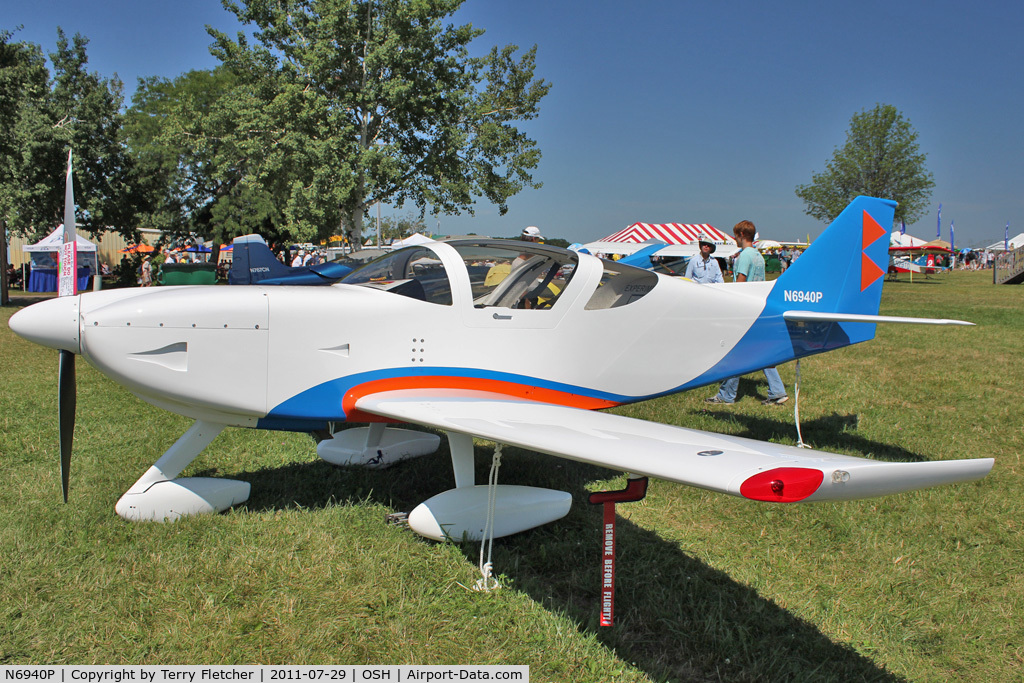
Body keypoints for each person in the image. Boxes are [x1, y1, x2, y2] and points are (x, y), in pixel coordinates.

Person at [705, 220, 788, 406]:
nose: (734, 238)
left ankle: (726, 396)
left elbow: (740, 282)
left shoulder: (744, 256)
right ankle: (777, 391)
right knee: (762, 352)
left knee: (735, 352)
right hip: (759, 306)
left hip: (744, 309)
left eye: (736, 235)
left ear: (742, 235)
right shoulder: (758, 256)